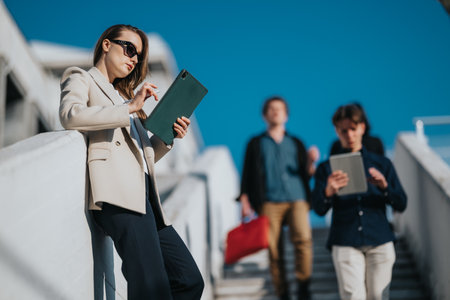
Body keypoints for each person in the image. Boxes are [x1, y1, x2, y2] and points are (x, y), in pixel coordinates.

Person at [59, 24, 204, 300]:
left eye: (137, 55)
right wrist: (129, 108)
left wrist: (169, 137)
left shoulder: (125, 100)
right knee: (150, 284)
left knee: (188, 280)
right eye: (129, 49)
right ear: (106, 45)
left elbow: (143, 155)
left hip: (147, 201)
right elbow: (70, 114)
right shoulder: (82, 78)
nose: (134, 58)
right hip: (118, 197)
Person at [312, 104, 407, 300]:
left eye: (353, 129)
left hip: (379, 238)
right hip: (345, 240)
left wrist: (384, 187)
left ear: (362, 128)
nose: (349, 134)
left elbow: (401, 203)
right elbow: (319, 209)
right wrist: (328, 191)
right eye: (343, 130)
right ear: (336, 131)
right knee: (353, 297)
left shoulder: (382, 164)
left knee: (379, 296)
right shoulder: (325, 168)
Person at [238, 96, 314, 300]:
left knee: (303, 240)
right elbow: (247, 173)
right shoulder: (255, 143)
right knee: (274, 251)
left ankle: (304, 286)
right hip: (269, 201)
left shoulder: (296, 142)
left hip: (297, 198)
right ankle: (283, 293)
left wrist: (311, 163)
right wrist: (245, 200)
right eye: (271, 109)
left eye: (279, 109)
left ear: (286, 115)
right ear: (265, 115)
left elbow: (306, 174)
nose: (275, 112)